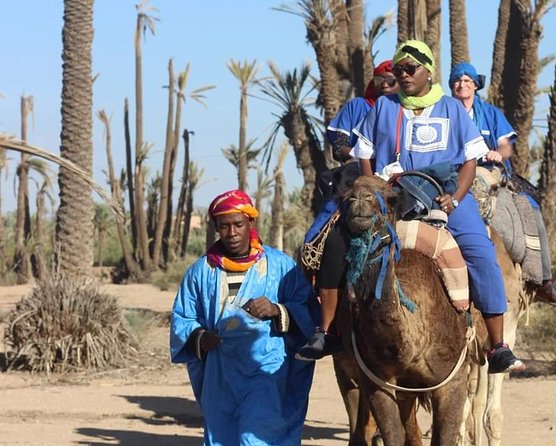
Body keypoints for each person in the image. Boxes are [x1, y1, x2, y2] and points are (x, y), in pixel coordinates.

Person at [351, 40, 525, 374]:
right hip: (393, 195)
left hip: (445, 195)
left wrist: (456, 197)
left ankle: (498, 346)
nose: (402, 75)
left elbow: (471, 161)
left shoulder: (452, 109)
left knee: (481, 253)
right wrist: (375, 190)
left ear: (427, 71)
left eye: (409, 69)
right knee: (341, 245)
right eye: (398, 69)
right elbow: (365, 154)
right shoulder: (384, 107)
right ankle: (330, 331)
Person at [170, 190, 318, 445]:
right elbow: (183, 318)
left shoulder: (280, 266)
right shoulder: (201, 271)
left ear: (251, 223)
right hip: (221, 373)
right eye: (224, 226)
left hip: (267, 367)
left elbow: (308, 310)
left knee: (256, 436)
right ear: (216, 228)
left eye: (238, 224)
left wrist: (277, 310)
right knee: (222, 435)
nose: (232, 233)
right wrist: (200, 337)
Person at [296, 60, 399, 361]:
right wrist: (354, 154)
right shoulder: (357, 106)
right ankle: (326, 329)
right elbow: (338, 142)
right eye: (382, 81)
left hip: (404, 179)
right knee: (326, 238)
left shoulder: (411, 112)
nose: (387, 86)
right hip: (358, 177)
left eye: (392, 80)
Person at [449, 61, 556, 307]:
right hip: (454, 173)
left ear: (475, 85)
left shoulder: (491, 114)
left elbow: (506, 146)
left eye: (467, 81)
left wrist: (497, 153)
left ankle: (544, 280)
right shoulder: (444, 112)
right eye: (457, 81)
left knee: (530, 208)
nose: (462, 85)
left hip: (489, 171)